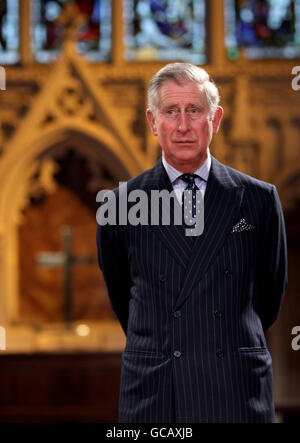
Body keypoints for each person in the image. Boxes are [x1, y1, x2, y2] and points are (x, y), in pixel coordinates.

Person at [96, 62, 288, 423]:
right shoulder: (120, 204)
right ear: (153, 123)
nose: (182, 126)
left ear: (214, 120)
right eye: (171, 112)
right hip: (156, 390)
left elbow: (270, 295)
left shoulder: (259, 199)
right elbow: (123, 297)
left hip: (235, 386)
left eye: (193, 111)